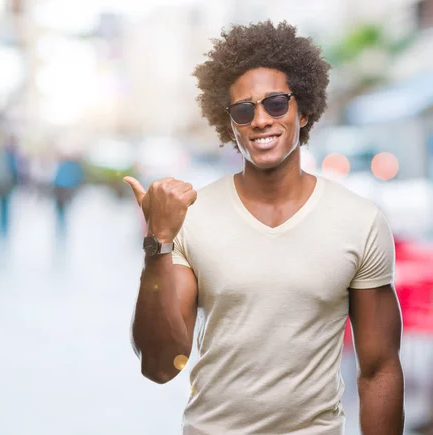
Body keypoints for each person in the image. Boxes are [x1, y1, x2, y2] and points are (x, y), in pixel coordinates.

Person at [124, 21, 404, 435]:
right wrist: (158, 242)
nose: (260, 120)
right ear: (230, 125)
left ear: (303, 109)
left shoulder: (359, 221)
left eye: (275, 103)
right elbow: (161, 366)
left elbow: (380, 369)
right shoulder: (193, 217)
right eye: (243, 110)